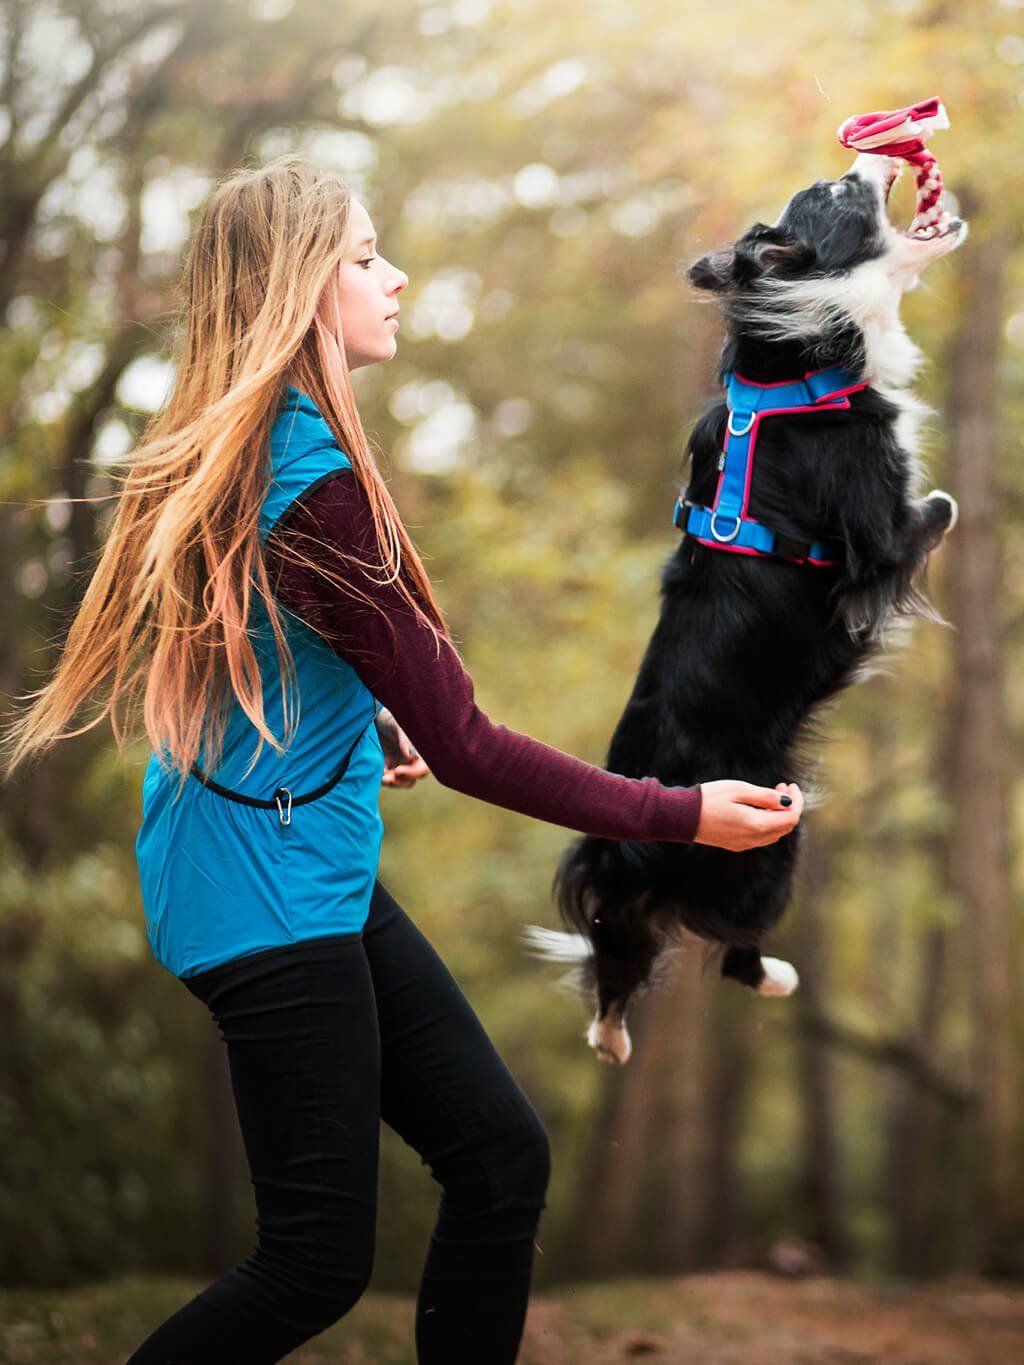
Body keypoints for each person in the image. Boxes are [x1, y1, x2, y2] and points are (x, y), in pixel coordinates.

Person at [4, 157, 803, 1364]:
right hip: (263, 889)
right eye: (367, 257)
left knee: (497, 1157)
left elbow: (262, 660)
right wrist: (679, 814)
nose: (396, 277)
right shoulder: (311, 486)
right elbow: (469, 744)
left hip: (281, 857)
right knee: (314, 1261)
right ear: (298, 286)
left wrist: (358, 726)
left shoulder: (263, 440)